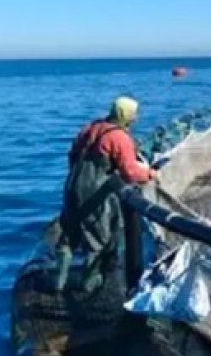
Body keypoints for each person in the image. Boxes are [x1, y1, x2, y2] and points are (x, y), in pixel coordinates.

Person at [55, 96, 157, 292]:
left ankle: (58, 282)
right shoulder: (119, 138)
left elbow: (72, 155)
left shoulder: (90, 128)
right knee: (98, 237)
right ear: (125, 115)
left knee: (69, 233)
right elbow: (130, 172)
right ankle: (89, 284)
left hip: (72, 186)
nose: (136, 118)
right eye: (134, 114)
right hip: (96, 191)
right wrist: (150, 173)